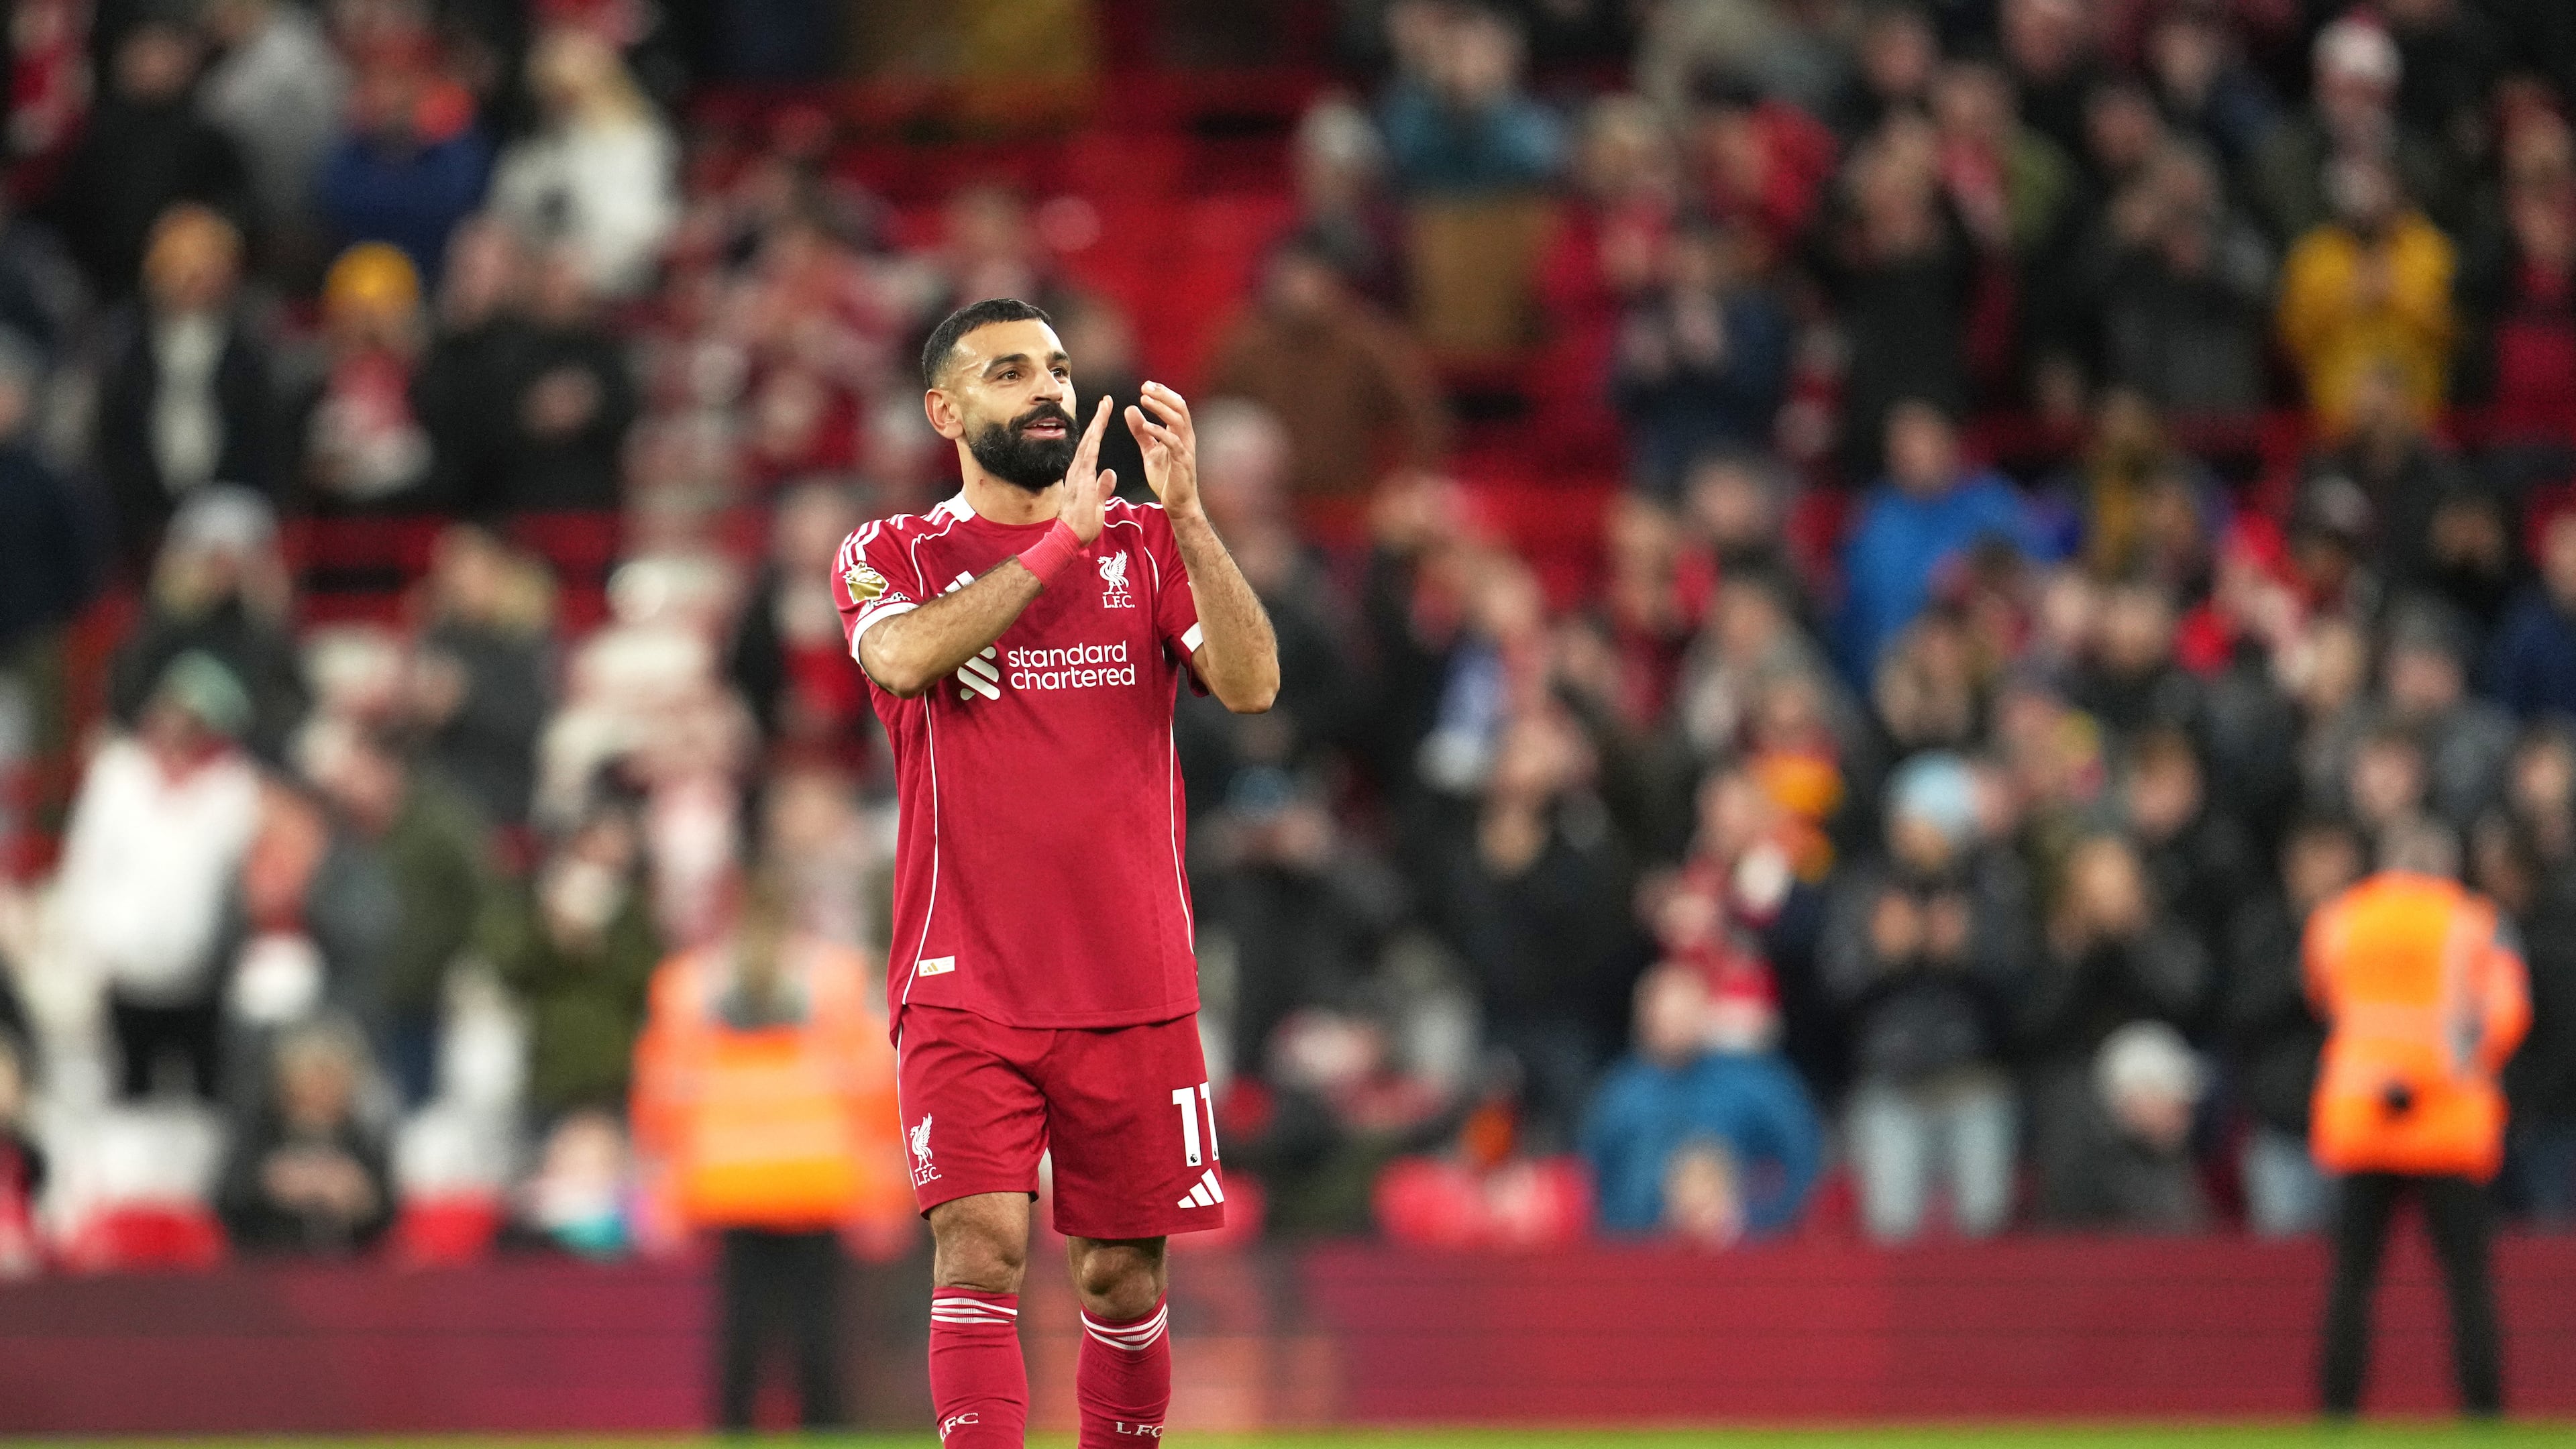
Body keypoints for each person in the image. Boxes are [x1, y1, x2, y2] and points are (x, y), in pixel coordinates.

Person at [834, 298, 1278, 1448]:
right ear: (946, 410)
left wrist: (1189, 518)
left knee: (1121, 1282)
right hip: (962, 974)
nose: (1049, 389)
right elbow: (899, 653)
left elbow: (1251, 683)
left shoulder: (1145, 543)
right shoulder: (893, 553)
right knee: (977, 1240)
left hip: (1132, 975)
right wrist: (1057, 543)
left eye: (1060, 368)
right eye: (1011, 372)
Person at [631, 879, 910, 1431]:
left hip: (728, 1176)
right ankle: (824, 1435)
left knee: (741, 1328)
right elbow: (875, 1083)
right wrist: (887, 1184)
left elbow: (660, 1089)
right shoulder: (837, 977)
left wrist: (660, 1181)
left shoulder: (687, 982)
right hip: (818, 1174)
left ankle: (735, 1434)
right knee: (819, 1332)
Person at [2306, 822, 2530, 1418]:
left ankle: (2336, 1413)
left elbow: (2322, 995)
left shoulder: (2339, 918)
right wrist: (2444, 1070)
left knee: (2353, 1277)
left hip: (2361, 1117)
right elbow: (2506, 1016)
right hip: (2449, 1123)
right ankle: (2483, 1413)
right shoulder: (2475, 922)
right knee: (2468, 1281)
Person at [54, 652, 264, 1100]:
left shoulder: (233, 786)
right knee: (130, 1093)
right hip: (125, 973)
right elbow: (87, 864)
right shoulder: (118, 774)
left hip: (202, 979)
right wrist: (90, 945)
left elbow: (241, 878)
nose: (178, 728)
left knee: (207, 1095)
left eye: (194, 719)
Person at [215, 1016, 396, 1254]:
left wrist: (360, 1197)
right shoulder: (259, 1137)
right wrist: (275, 1183)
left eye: (332, 1080)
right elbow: (229, 1201)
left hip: (349, 1274)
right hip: (269, 1271)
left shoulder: (362, 1140)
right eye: (312, 1079)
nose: (322, 1090)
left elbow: (388, 1211)